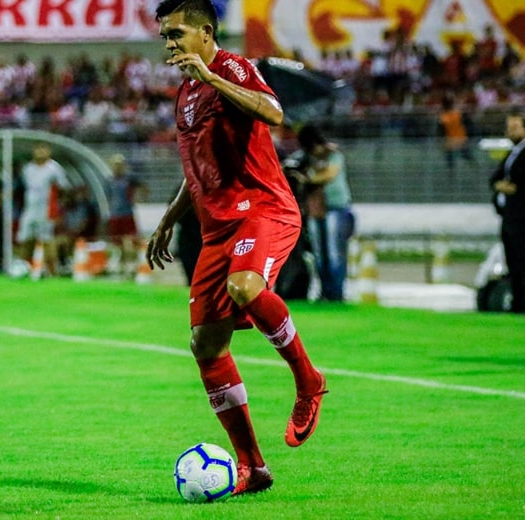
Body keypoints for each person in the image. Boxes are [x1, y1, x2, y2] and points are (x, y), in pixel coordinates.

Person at [146, 0, 327, 496]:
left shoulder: (232, 67)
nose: (170, 43)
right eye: (165, 36)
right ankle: (253, 465)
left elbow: (274, 112)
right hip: (216, 229)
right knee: (205, 344)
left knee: (245, 285)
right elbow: (195, 169)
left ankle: (308, 380)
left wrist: (211, 75)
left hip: (262, 210)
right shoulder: (184, 93)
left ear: (206, 32)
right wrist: (167, 220)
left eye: (178, 33)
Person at [294, 125, 354, 302]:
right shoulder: (305, 157)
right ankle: (325, 292)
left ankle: (336, 293)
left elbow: (329, 174)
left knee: (334, 253)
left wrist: (307, 178)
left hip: (335, 205)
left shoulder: (334, 154)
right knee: (319, 254)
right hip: (315, 208)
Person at [490, 113, 525, 314]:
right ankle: (517, 300)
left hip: (520, 215)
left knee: (521, 258)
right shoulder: (511, 154)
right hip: (508, 215)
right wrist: (501, 185)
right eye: (509, 127)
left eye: (515, 127)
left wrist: (502, 185)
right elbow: (495, 180)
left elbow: (516, 185)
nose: (511, 131)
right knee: (511, 258)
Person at [16, 142, 70, 278]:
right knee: (25, 238)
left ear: (48, 151)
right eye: (38, 149)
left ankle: (53, 271)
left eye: (43, 149)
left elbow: (63, 188)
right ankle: (23, 267)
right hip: (30, 209)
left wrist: (58, 208)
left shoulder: (54, 168)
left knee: (46, 239)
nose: (40, 152)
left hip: (46, 210)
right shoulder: (28, 168)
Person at [106, 153, 147, 277]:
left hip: (127, 214)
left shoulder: (129, 179)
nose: (117, 167)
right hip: (115, 215)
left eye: (119, 165)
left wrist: (139, 198)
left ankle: (132, 265)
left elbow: (144, 187)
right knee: (118, 243)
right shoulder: (109, 180)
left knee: (130, 241)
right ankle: (123, 266)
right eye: (115, 165)